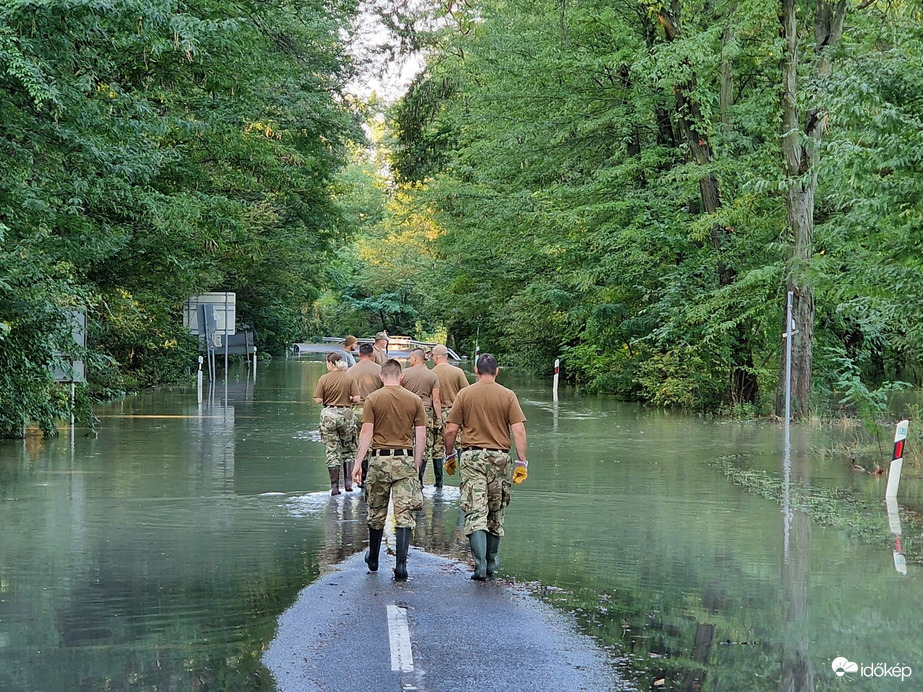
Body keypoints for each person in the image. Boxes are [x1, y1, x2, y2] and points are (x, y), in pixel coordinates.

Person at [444, 353, 528, 580]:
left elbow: (451, 429)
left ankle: (479, 565)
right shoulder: (508, 395)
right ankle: (491, 562)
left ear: (475, 370)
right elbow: (518, 430)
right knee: (495, 511)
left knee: (475, 510)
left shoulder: (465, 394)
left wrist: (449, 455)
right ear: (497, 371)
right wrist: (522, 462)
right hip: (500, 459)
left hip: (472, 458)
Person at [351, 359, 426, 580]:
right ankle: (401, 565)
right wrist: (417, 463)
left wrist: (357, 463)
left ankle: (373, 557)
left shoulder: (373, 399)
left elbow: (366, 432)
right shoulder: (414, 400)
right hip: (405, 460)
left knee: (376, 511)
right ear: (401, 376)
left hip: (379, 461)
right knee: (404, 514)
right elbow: (420, 435)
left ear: (381, 377)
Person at [313, 352, 359, 495]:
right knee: (349, 449)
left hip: (329, 415)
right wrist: (348, 399)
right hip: (346, 414)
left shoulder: (324, 378)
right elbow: (357, 398)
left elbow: (318, 400)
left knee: (332, 450)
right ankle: (348, 483)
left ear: (331, 363)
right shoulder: (349, 378)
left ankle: (334, 487)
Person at [401, 348, 442, 487]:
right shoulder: (432, 375)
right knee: (424, 445)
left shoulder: (404, 374)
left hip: (407, 411)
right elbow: (436, 400)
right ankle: (419, 478)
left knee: (406, 442)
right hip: (425, 412)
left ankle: (407, 476)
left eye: (409, 358)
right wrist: (439, 419)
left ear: (414, 358)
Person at [430, 344, 469, 475]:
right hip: (455, 414)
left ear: (435, 357)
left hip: (438, 413)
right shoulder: (458, 372)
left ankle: (438, 482)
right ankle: (464, 477)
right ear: (447, 356)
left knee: (437, 447)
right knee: (460, 445)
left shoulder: (431, 373)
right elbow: (466, 394)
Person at [348, 343, 383, 485]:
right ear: (373, 355)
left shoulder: (350, 371)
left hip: (356, 410)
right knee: (374, 443)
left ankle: (359, 477)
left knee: (358, 443)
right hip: (375, 410)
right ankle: (372, 476)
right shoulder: (380, 370)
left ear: (359, 354)